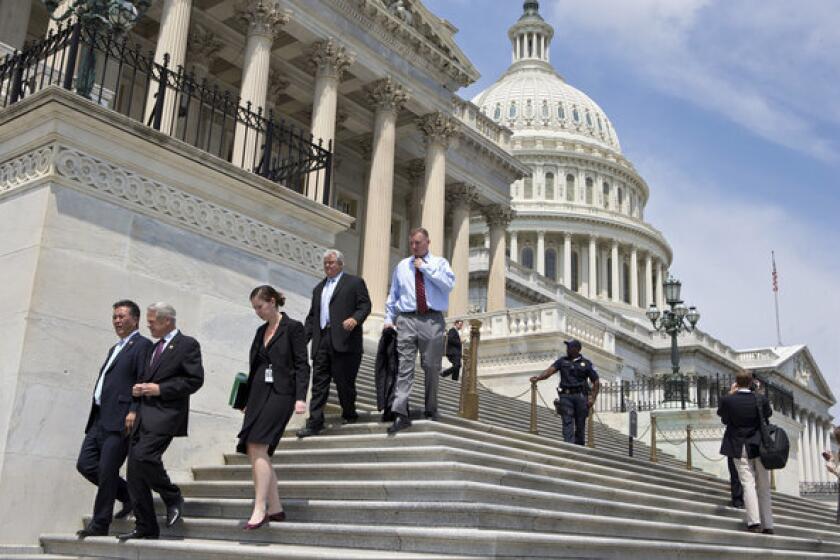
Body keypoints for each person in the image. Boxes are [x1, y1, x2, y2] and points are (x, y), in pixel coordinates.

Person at [118, 303, 204, 541]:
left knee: (145, 456)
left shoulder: (188, 345)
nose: (148, 325)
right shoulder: (153, 348)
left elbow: (194, 380)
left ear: (168, 321)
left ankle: (172, 496)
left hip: (166, 415)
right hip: (142, 415)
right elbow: (143, 379)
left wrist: (159, 389)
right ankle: (146, 527)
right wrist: (135, 405)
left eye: (152, 321)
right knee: (135, 472)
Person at [75, 300, 153, 538]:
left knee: (108, 471)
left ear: (135, 319)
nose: (117, 321)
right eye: (115, 317)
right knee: (86, 464)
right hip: (99, 418)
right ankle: (129, 495)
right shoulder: (115, 348)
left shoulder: (142, 345)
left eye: (122, 316)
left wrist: (133, 409)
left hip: (121, 419)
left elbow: (142, 379)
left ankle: (100, 525)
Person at [237, 285, 310, 529]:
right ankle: (276, 506)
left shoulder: (293, 328)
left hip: (282, 394)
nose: (257, 312)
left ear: (272, 301)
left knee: (258, 443)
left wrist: (301, 397)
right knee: (254, 448)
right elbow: (254, 367)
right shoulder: (260, 331)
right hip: (258, 393)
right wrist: (245, 399)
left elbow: (302, 364)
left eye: (259, 306)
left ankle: (260, 507)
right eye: (254, 308)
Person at [383, 227, 455, 434]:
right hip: (406, 319)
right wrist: (389, 319)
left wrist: (425, 268)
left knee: (431, 366)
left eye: (418, 243)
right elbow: (394, 295)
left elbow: (448, 285)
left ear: (427, 242)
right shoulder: (402, 266)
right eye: (411, 243)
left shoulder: (439, 264)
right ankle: (400, 413)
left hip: (431, 320)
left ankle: (431, 408)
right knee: (405, 366)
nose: (414, 246)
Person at [298, 250, 371, 438]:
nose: (328, 266)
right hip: (322, 339)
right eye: (325, 263)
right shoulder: (318, 289)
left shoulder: (354, 283)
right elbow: (312, 317)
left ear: (340, 264)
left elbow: (365, 305)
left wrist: (355, 319)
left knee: (344, 383)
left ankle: (349, 411)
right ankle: (314, 422)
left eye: (331, 262)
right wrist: (300, 341)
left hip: (345, 341)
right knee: (319, 383)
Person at [717, 370, 774, 534]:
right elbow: (767, 415)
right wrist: (758, 392)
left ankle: (754, 521)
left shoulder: (728, 400)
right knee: (764, 486)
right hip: (760, 445)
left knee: (748, 483)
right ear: (751, 382)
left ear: (736, 382)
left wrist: (730, 393)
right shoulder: (761, 399)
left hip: (739, 444)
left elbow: (723, 417)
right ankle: (768, 524)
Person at [530, 339, 599, 445]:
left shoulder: (586, 364)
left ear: (577, 349)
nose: (567, 349)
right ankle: (569, 445)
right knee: (567, 421)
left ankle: (579, 446)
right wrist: (538, 378)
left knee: (580, 424)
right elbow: (550, 371)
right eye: (567, 347)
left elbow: (596, 381)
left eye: (570, 347)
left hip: (580, 396)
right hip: (566, 396)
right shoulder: (562, 361)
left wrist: (592, 398)